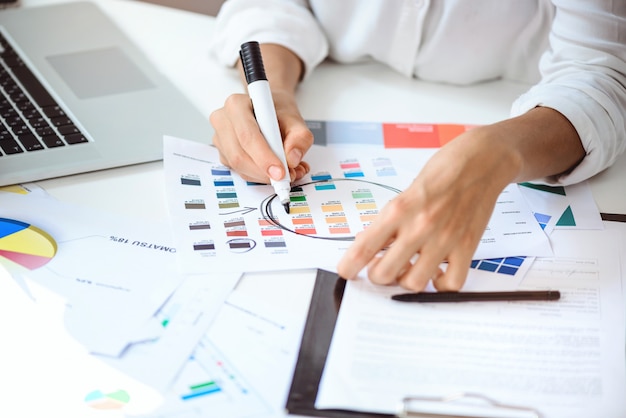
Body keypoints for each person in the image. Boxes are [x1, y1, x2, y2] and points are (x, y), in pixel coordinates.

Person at [208, 0, 626, 292]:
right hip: (333, 85)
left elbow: (601, 72)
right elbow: (268, 6)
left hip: (526, 107)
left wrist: (496, 152)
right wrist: (276, 92)